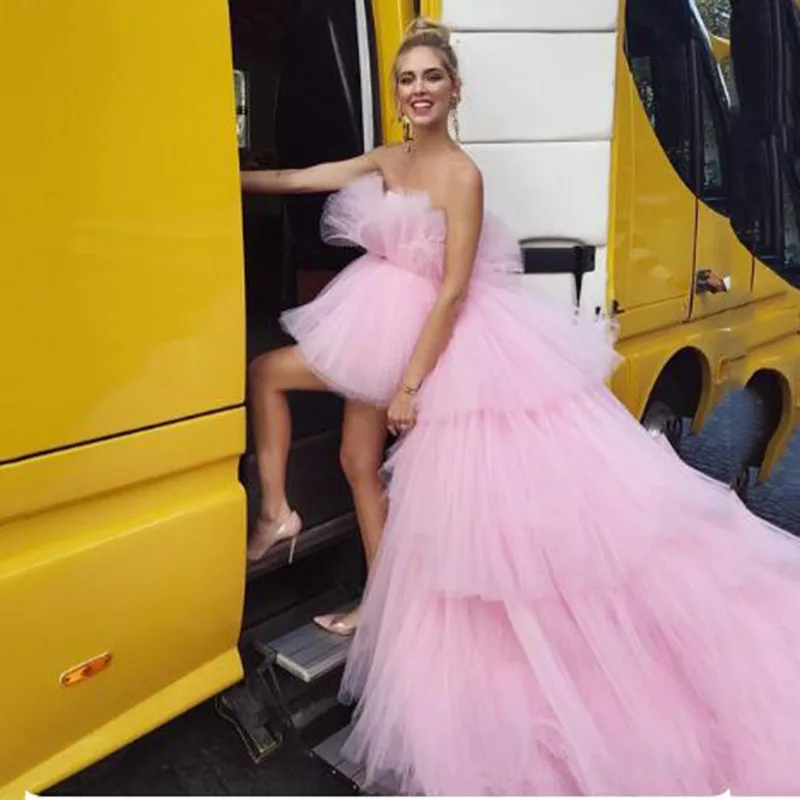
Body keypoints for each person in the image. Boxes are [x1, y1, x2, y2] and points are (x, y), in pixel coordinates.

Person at [242, 17, 800, 797]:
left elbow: (452, 290)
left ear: (454, 89)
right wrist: (225, 176)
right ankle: (313, 544)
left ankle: (374, 589)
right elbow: (306, 178)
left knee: (447, 496)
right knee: (350, 456)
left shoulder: (462, 176)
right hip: (374, 323)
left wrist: (411, 384)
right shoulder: (387, 157)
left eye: (432, 77)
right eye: (407, 78)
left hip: (433, 341)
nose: (418, 90)